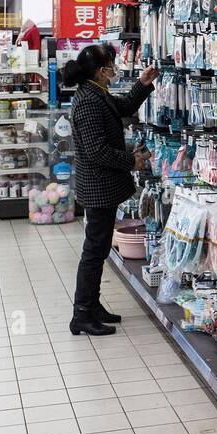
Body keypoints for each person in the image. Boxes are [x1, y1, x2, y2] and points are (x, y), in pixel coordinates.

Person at [64, 44, 159, 336]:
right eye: (110, 65)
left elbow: (125, 107)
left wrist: (142, 84)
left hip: (102, 185)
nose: (114, 69)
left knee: (100, 247)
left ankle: (92, 305)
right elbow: (96, 151)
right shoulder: (88, 102)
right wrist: (131, 160)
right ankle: (81, 313)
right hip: (97, 186)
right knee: (94, 250)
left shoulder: (97, 92)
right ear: (99, 70)